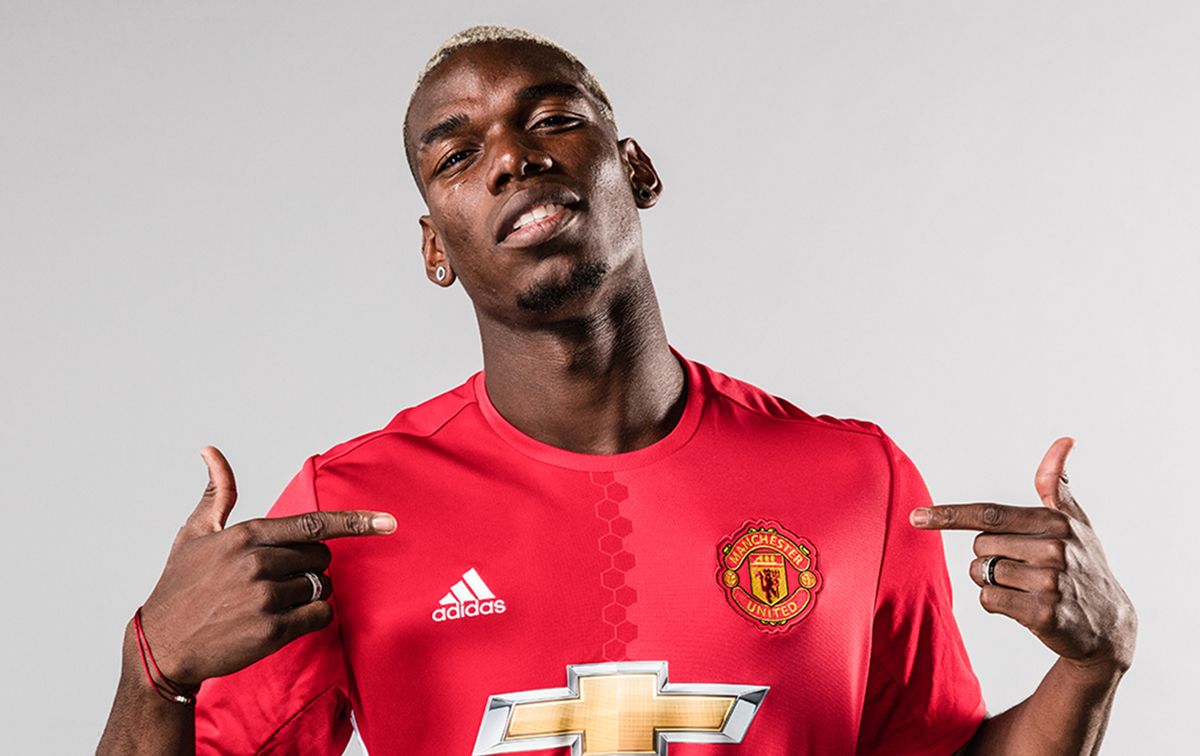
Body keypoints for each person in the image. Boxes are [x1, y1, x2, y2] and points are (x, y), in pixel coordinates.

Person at [98, 26, 1136, 755]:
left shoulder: (854, 479)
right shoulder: (351, 506)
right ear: (435, 248)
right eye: (457, 154)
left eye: (550, 118)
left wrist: (1093, 666)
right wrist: (157, 665)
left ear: (634, 168)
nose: (510, 156)